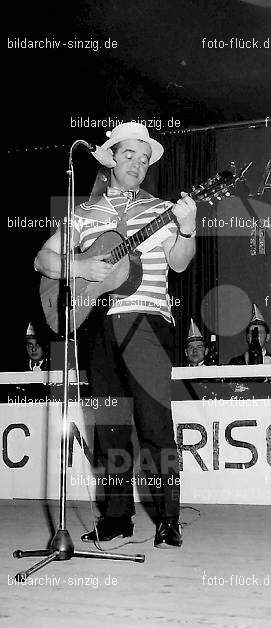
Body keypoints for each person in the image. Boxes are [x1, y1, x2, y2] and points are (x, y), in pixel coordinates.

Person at [35, 122, 197, 547]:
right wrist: (82, 268)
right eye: (129, 155)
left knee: (153, 423)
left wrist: (188, 225)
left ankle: (168, 518)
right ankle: (116, 517)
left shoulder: (161, 209)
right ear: (109, 159)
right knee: (109, 428)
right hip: (100, 325)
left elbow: (180, 263)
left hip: (147, 321)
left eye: (144, 160)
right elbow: (43, 259)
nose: (137, 164)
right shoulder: (85, 214)